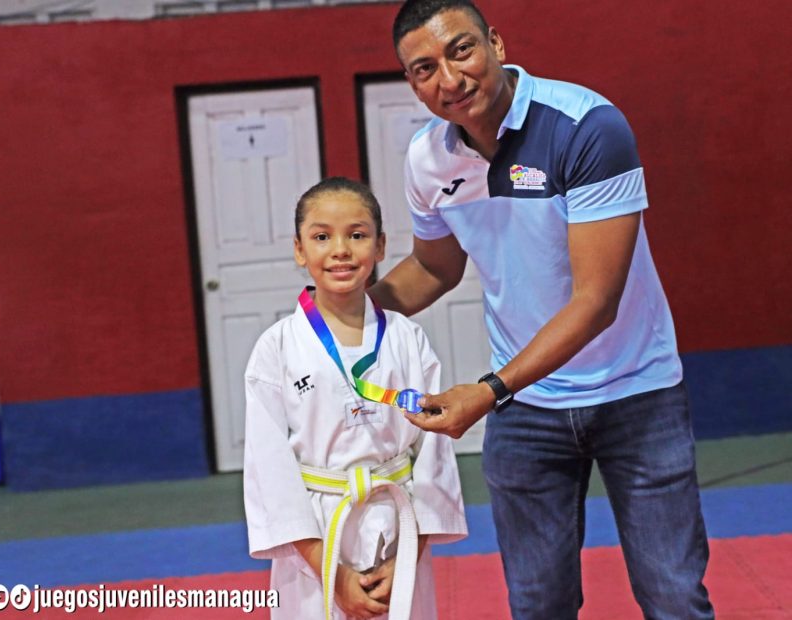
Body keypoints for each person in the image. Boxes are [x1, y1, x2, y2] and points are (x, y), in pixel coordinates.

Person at [367, 1, 715, 618]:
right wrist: (341, 315)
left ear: (496, 44)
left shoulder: (586, 127)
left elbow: (596, 302)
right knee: (537, 605)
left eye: (461, 50)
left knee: (674, 597)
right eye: (425, 69)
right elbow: (434, 268)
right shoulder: (427, 159)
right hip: (527, 410)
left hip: (635, 392)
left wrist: (489, 390)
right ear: (412, 84)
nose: (449, 79)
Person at [243, 176, 467, 620]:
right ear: (299, 250)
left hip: (398, 529)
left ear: (380, 246)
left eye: (357, 235)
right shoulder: (277, 347)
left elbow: (434, 455)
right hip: (316, 535)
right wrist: (330, 572)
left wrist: (408, 554)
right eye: (322, 237)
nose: (340, 250)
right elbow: (269, 470)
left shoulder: (408, 339)